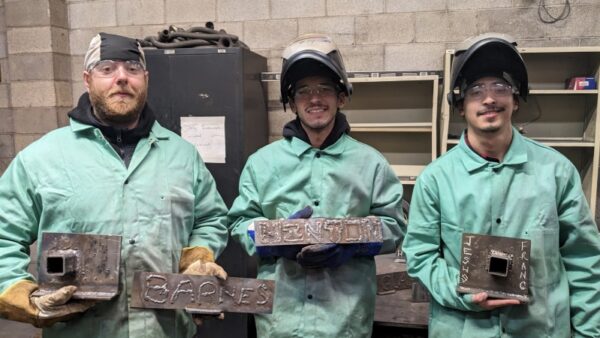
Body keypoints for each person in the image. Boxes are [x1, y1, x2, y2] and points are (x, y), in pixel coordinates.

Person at [0, 33, 229, 337]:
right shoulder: (41, 158)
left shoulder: (182, 155)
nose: (121, 78)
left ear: (145, 79)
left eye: (132, 69)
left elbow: (211, 217)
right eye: (106, 69)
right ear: (87, 79)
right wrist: (17, 291)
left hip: (163, 330)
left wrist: (199, 256)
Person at [403, 32, 600, 337]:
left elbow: (584, 262)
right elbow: (420, 255)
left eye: (501, 87)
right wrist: (462, 293)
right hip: (462, 328)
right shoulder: (436, 179)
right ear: (460, 105)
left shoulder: (557, 172)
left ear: (516, 99)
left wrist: (590, 333)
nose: (490, 98)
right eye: (476, 90)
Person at [227, 33, 406, 337]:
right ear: (291, 102)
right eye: (303, 91)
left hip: (345, 319)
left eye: (324, 88)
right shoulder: (262, 163)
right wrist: (274, 238)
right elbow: (239, 222)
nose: (314, 98)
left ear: (342, 96)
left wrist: (353, 244)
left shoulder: (371, 163)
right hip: (281, 320)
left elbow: (395, 226)